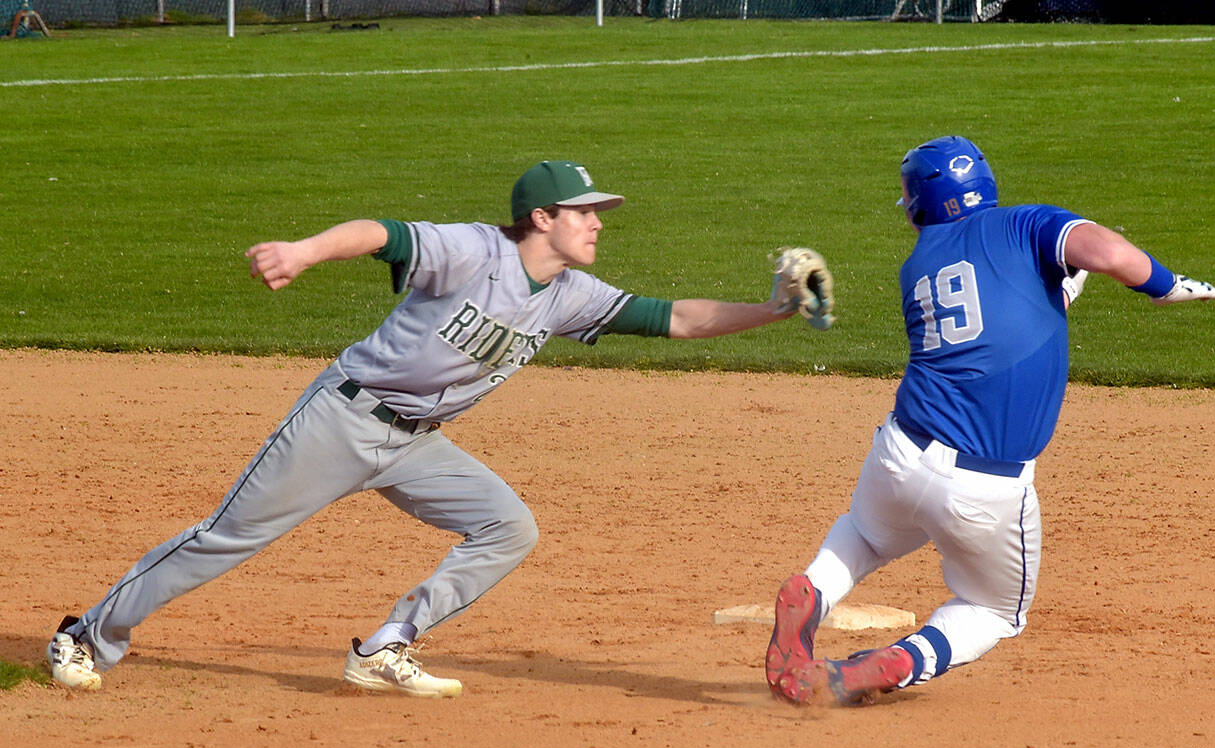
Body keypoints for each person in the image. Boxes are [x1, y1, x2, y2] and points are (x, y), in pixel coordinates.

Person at [46, 160, 813, 696]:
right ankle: (86, 634)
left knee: (508, 527)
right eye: (584, 212)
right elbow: (382, 232)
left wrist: (774, 308)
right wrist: (306, 251)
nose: (596, 224)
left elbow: (675, 317)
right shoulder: (474, 249)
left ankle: (387, 646)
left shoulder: (571, 293)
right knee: (228, 536)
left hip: (415, 443)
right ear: (541, 217)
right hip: (344, 419)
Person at [765, 135, 1215, 707]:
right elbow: (1108, 255)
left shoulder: (920, 267)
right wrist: (1163, 286)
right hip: (985, 487)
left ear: (918, 205)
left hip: (902, 451)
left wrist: (1061, 281)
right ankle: (894, 663)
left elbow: (997, 323)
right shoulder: (1027, 224)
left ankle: (812, 590)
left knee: (864, 535)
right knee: (995, 610)